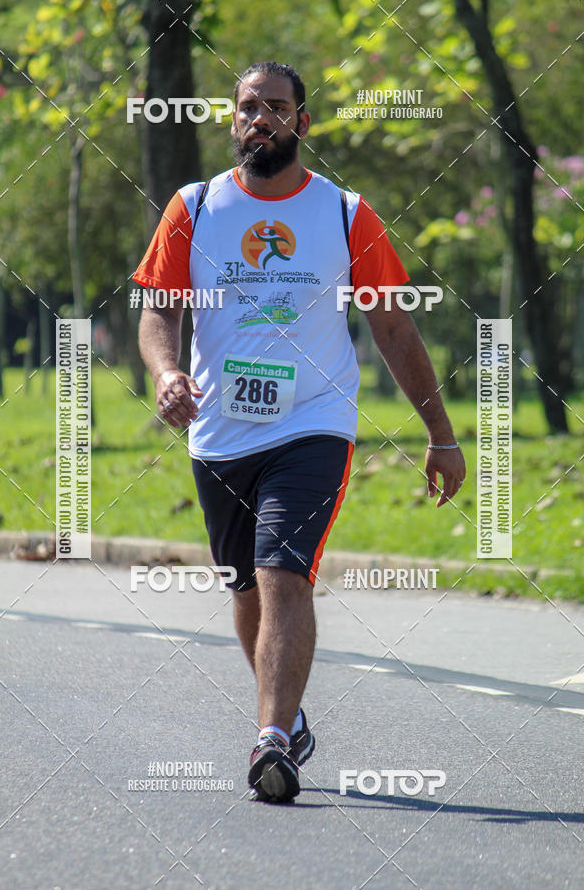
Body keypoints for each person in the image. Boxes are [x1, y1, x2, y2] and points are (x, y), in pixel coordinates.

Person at [135, 61, 466, 804]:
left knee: (284, 571)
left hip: (314, 422)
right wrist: (166, 372)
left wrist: (441, 434)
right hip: (220, 432)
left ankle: (272, 740)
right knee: (245, 587)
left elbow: (392, 326)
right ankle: (287, 716)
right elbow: (159, 311)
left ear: (302, 122)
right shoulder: (194, 207)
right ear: (233, 119)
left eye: (277, 108)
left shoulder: (345, 214)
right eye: (249, 107)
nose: (261, 119)